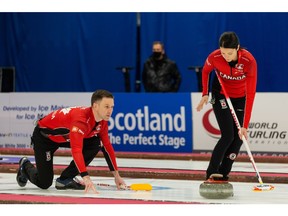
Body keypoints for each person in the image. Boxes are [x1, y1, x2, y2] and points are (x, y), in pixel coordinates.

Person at [16, 89, 126, 193]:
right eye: (106, 106)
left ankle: (65, 179)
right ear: (95, 106)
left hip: (64, 136)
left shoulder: (102, 121)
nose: (110, 111)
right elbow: (76, 150)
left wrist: (116, 175)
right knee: (44, 183)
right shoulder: (81, 120)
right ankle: (25, 165)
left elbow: (107, 146)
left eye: (112, 107)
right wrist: (85, 176)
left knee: (97, 142)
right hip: (45, 139)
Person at [196, 31, 257, 181]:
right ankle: (211, 171)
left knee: (238, 137)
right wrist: (205, 93)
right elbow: (205, 72)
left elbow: (251, 94)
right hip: (221, 94)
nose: (226, 57)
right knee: (228, 135)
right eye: (223, 53)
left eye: (229, 53)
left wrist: (245, 125)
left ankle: (223, 173)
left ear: (237, 48)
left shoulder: (249, 62)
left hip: (240, 97)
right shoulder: (215, 57)